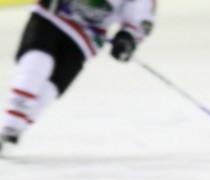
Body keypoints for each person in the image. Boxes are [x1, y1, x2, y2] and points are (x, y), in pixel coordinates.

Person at [0, 0, 155, 152]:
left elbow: (141, 16)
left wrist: (128, 37)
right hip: (52, 15)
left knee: (50, 87)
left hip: (84, 37)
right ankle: (10, 122)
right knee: (38, 61)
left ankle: (13, 128)